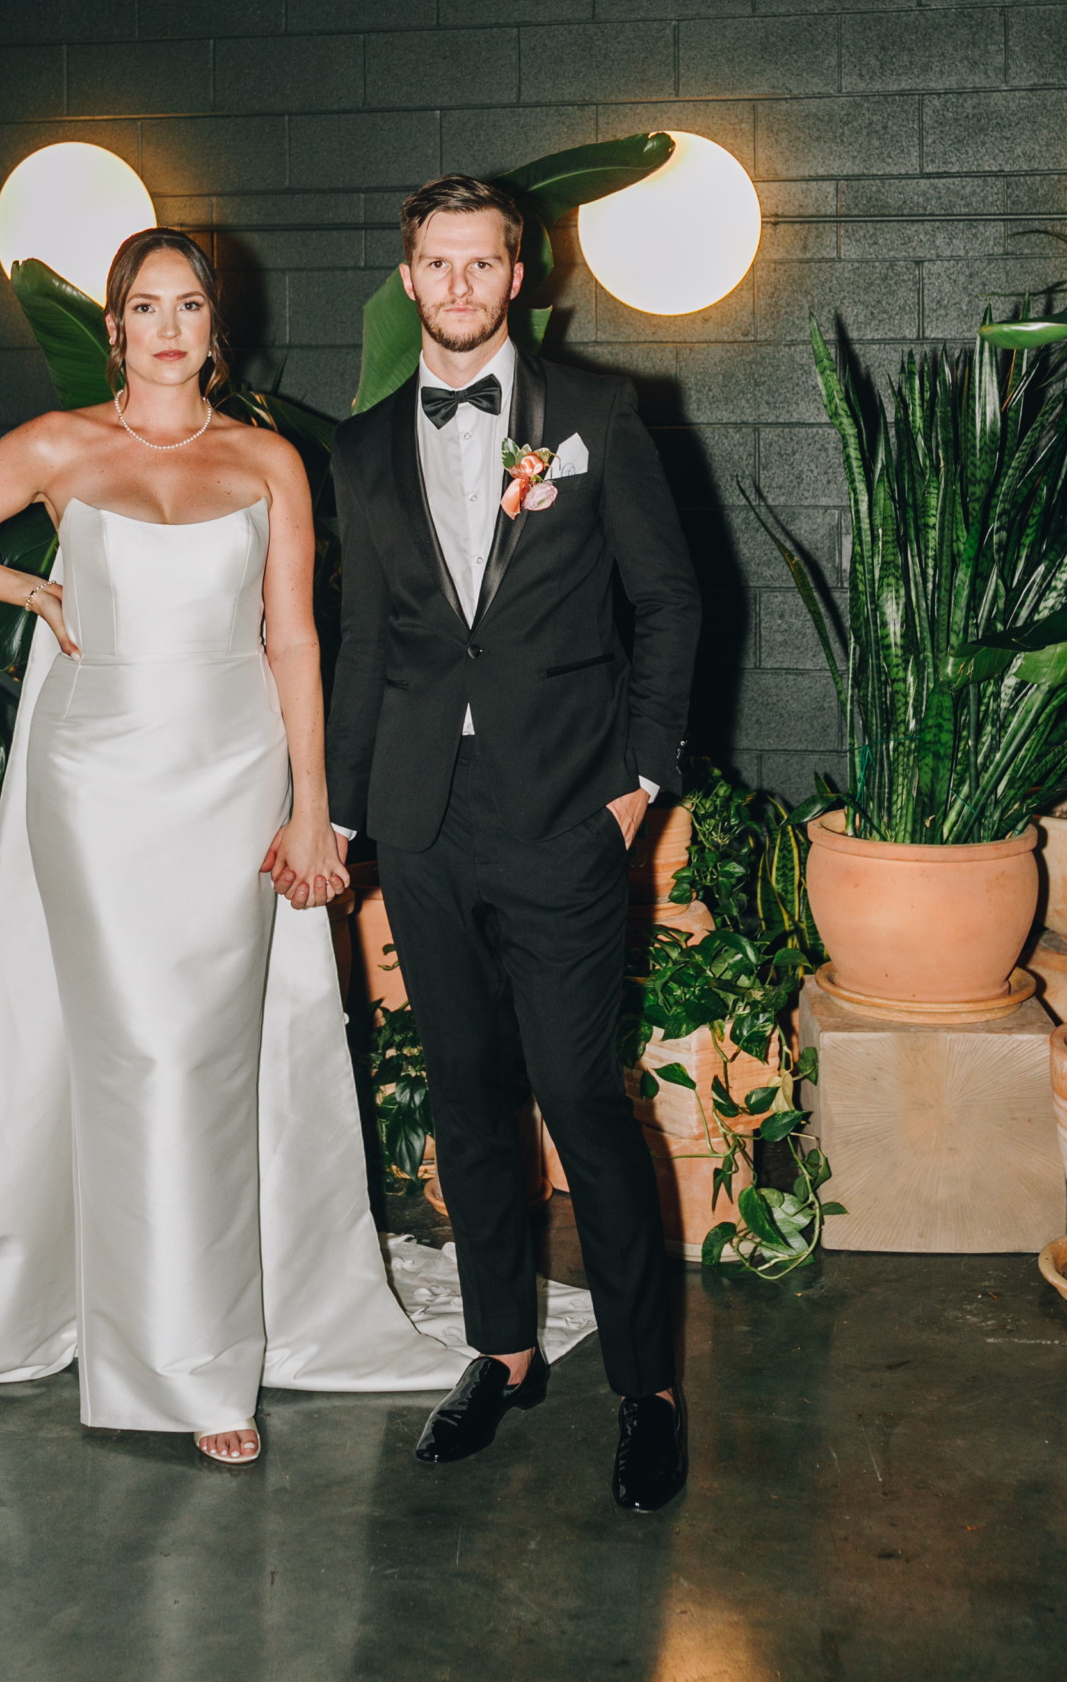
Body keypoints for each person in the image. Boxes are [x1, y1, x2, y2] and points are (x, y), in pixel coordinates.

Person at [0, 226, 458, 1459]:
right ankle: (184, 1365)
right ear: (115, 328)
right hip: (93, 785)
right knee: (138, 1053)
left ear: (215, 326)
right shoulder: (57, 446)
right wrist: (30, 591)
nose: (166, 326)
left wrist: (313, 801)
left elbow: (295, 639)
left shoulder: (267, 460)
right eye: (144, 306)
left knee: (202, 1059)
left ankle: (188, 1339)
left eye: (187, 304)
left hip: (234, 779)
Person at [325, 175, 702, 1512]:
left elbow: (668, 600)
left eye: (480, 264)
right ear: (408, 276)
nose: (459, 287)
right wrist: (343, 814)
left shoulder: (594, 415)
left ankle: (644, 1391)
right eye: (435, 264)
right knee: (469, 1103)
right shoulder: (362, 449)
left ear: (516, 276)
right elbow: (368, 648)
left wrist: (637, 782)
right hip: (425, 828)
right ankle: (499, 1351)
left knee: (580, 1101)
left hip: (562, 817)